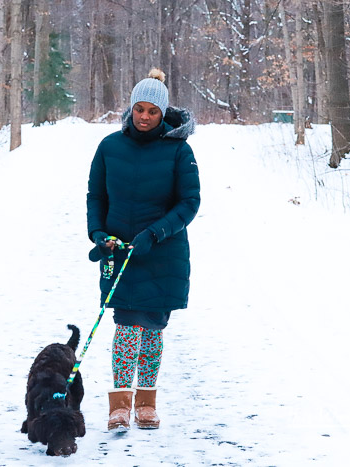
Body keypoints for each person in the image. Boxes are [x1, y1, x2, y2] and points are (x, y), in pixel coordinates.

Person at [86, 68, 201, 431]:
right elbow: (96, 196)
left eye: (153, 111)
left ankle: (146, 403)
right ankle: (120, 403)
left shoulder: (179, 151)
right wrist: (98, 232)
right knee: (125, 329)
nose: (146, 117)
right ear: (131, 109)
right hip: (119, 253)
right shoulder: (109, 147)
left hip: (162, 253)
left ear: (163, 112)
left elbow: (189, 203)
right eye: (140, 109)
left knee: (150, 331)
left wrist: (155, 233)